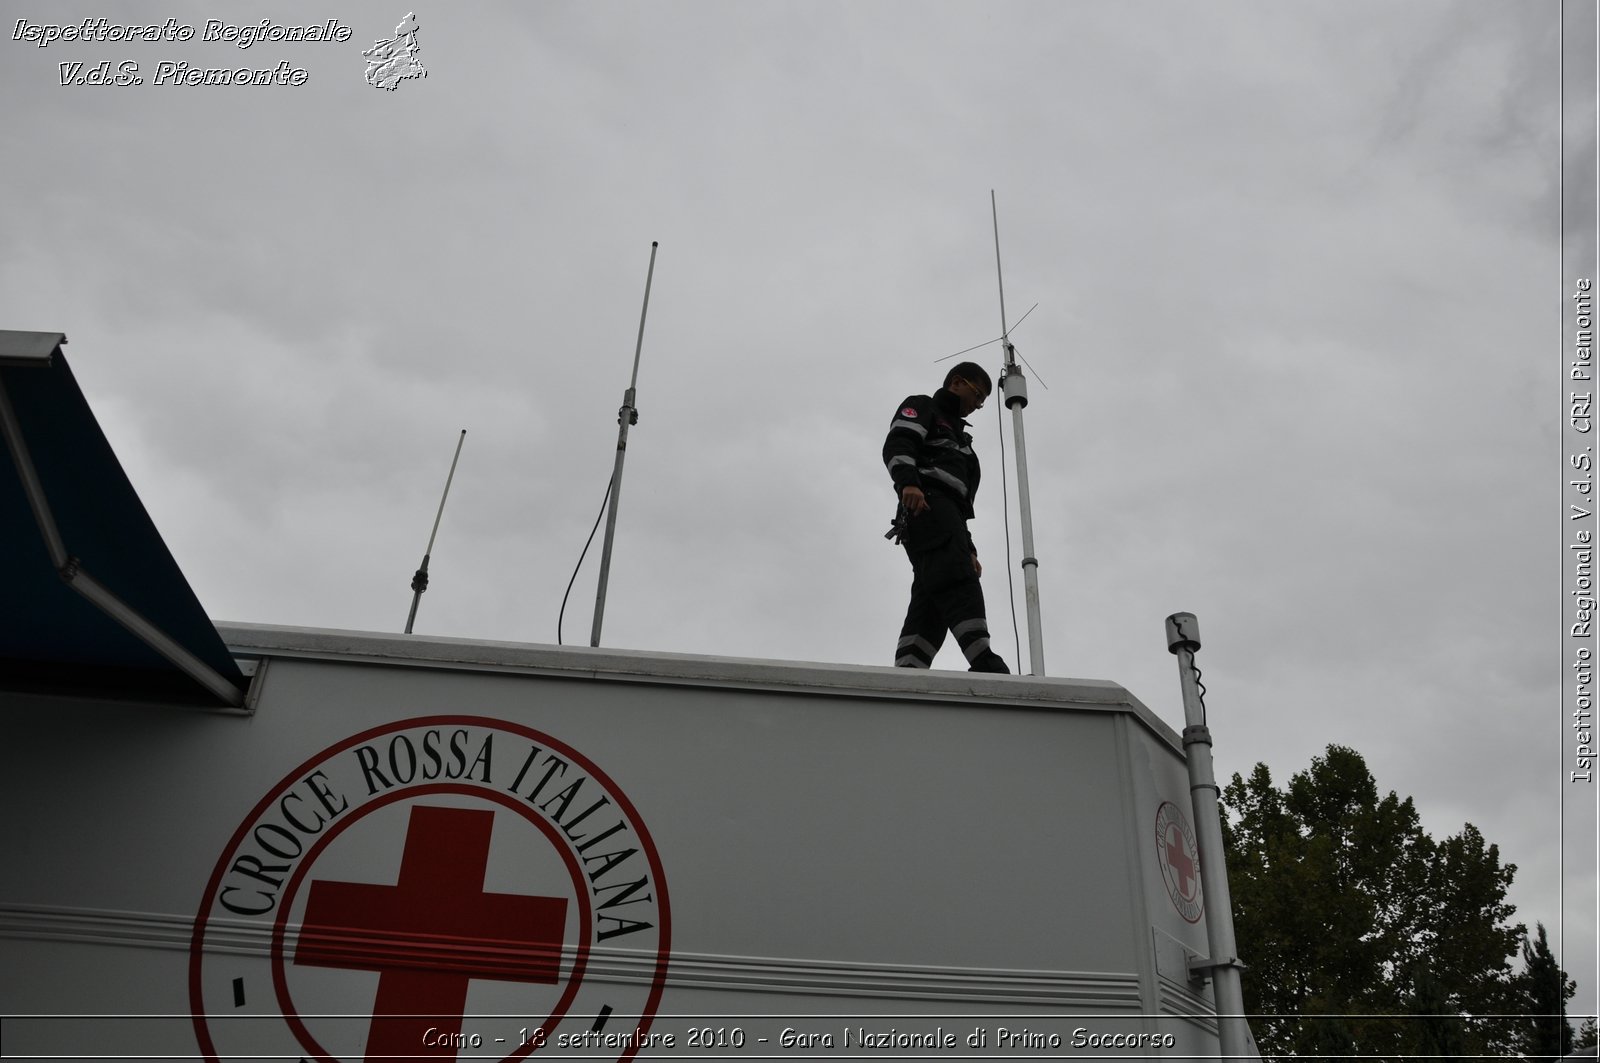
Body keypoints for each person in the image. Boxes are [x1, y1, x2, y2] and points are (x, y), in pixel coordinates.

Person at [882, 362, 1010, 673]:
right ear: (957, 382)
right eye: (977, 395)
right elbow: (899, 442)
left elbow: (959, 511)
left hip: (946, 515)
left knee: (932, 590)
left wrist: (968, 547)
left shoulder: (962, 441)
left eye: (981, 402)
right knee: (955, 575)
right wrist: (908, 482)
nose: (977, 406)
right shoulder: (925, 407)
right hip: (927, 504)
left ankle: (909, 666)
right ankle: (983, 659)